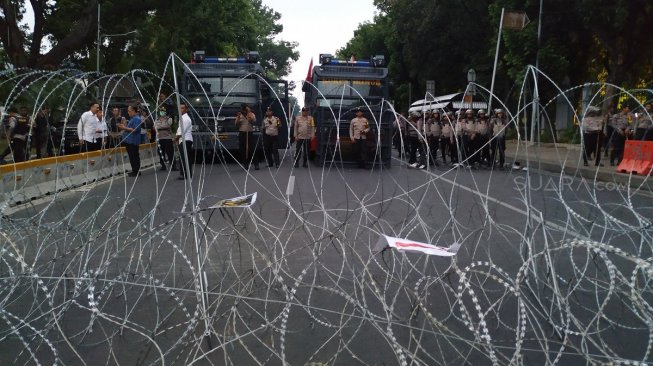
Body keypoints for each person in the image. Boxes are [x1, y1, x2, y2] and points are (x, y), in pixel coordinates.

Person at [118, 105, 142, 176]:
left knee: (134, 156)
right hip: (129, 141)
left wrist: (124, 128)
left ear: (134, 111)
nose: (128, 113)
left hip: (133, 141)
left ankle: (136, 171)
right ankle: (135, 170)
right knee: (132, 156)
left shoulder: (137, 119)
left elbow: (134, 129)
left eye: (129, 111)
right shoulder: (132, 118)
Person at [235, 103, 259, 170]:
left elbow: (252, 120)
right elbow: (236, 124)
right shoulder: (240, 114)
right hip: (242, 133)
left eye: (244, 107)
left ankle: (256, 164)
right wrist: (238, 117)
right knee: (243, 149)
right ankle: (245, 165)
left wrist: (248, 112)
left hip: (250, 133)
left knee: (252, 149)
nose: (242, 109)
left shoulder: (251, 114)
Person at [176, 103, 194, 179]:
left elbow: (181, 131)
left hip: (185, 140)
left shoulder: (185, 119)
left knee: (184, 158)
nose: (181, 109)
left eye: (183, 108)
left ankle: (184, 174)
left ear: (186, 109)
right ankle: (187, 174)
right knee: (185, 158)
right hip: (184, 140)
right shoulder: (182, 118)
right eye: (180, 108)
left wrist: (176, 139)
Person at [154, 106, 174, 171]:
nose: (162, 112)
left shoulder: (169, 119)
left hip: (167, 138)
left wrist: (159, 126)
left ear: (165, 112)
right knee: (160, 153)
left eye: (163, 111)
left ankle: (173, 166)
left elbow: (167, 126)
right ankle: (163, 165)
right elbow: (154, 127)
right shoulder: (157, 119)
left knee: (170, 152)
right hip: (160, 138)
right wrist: (160, 127)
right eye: (161, 111)